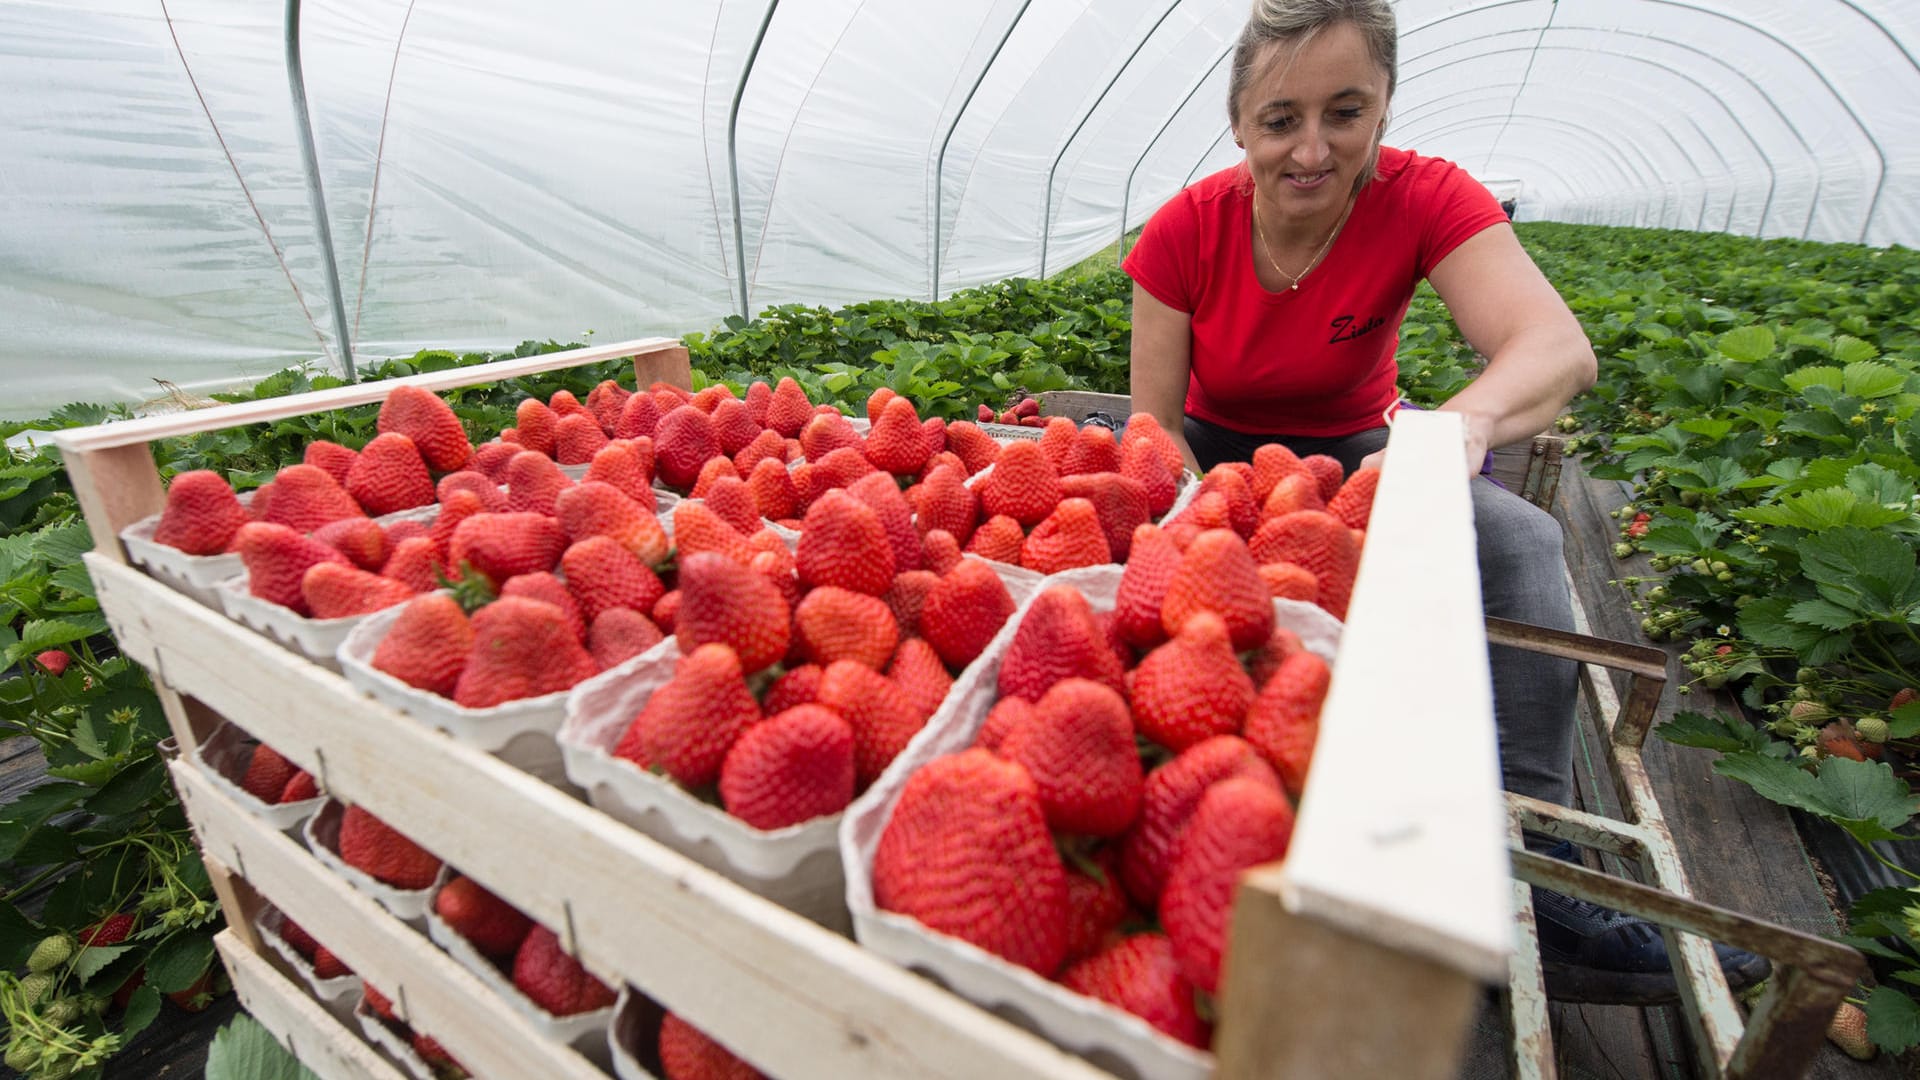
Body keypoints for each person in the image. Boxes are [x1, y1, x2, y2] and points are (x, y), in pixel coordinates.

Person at [1124, 0, 1766, 1005]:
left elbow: (1557, 350)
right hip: (1214, 449)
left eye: (1346, 111)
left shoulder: (1424, 197)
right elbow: (1151, 434)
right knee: (1158, 562)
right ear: (1239, 124)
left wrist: (1454, 429)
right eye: (1281, 118)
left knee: (1519, 539)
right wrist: (1204, 510)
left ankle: (1537, 868)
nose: (1312, 147)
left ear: (1384, 108)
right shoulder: (1183, 231)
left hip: (1363, 443)